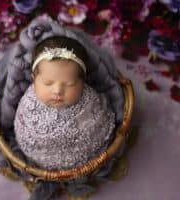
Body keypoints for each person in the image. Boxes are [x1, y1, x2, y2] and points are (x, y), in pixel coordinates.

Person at [13, 36, 116, 170]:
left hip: (85, 158)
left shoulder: (91, 101)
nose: (57, 91)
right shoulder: (29, 102)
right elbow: (23, 129)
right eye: (47, 83)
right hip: (39, 156)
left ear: (82, 82)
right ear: (34, 79)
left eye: (70, 84)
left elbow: (98, 125)